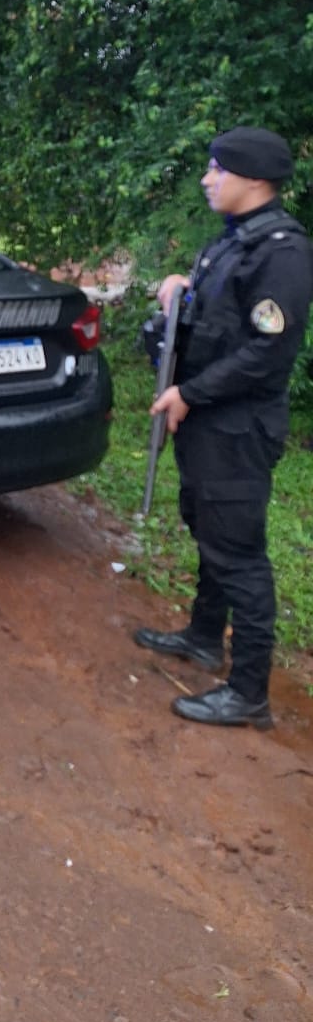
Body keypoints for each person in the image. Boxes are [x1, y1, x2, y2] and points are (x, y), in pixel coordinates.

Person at [137, 127, 312, 728]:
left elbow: (268, 353)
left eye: (218, 169)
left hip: (238, 428)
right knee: (209, 529)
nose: (207, 179)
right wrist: (181, 292)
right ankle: (205, 636)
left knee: (239, 553)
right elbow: (224, 320)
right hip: (209, 422)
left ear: (254, 179)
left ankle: (249, 693)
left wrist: (189, 392)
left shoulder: (282, 253)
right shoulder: (234, 241)